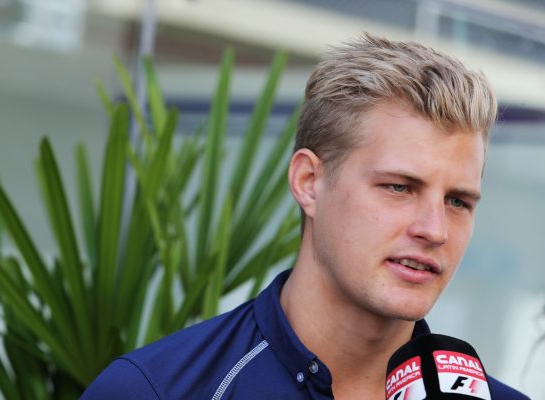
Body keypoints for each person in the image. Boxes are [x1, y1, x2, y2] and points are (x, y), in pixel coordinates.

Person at [81, 33, 529, 399]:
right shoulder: (155, 390)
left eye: (458, 202)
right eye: (399, 187)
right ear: (309, 181)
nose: (434, 229)